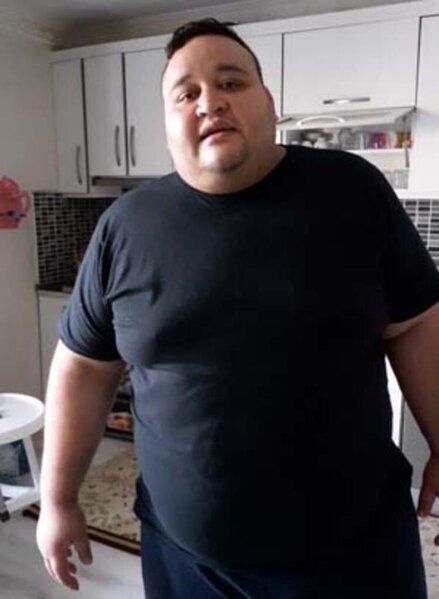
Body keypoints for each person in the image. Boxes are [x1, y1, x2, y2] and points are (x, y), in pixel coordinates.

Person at [36, 18, 439, 598]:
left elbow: (417, 324)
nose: (210, 102)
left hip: (356, 558)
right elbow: (82, 366)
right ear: (167, 124)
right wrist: (57, 499)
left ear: (268, 101)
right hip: (186, 567)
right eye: (187, 94)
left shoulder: (354, 192)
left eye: (231, 82)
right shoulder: (122, 228)